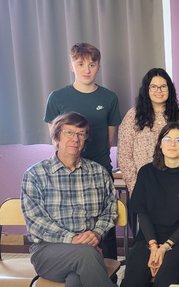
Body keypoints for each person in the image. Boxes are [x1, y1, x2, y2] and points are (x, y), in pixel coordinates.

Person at [44, 42, 121, 261]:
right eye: (80, 64)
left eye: (92, 64)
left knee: (103, 228)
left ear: (98, 66)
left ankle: (109, 276)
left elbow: (108, 140)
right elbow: (56, 139)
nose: (87, 69)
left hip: (98, 171)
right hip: (65, 171)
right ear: (72, 65)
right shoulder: (57, 98)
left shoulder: (109, 98)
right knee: (68, 224)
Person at [21, 112, 117, 286]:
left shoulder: (98, 172)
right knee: (86, 255)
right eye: (69, 133)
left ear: (86, 139)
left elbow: (110, 209)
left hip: (89, 250)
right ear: (57, 136)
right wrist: (72, 239)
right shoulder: (35, 174)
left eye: (81, 134)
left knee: (76, 281)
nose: (76, 139)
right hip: (48, 251)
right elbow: (36, 222)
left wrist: (97, 233)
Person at [121, 122, 179, 287]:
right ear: (160, 144)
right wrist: (153, 246)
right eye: (167, 139)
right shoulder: (146, 172)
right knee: (132, 281)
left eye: (178, 140)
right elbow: (142, 213)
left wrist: (165, 247)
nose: (172, 144)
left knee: (163, 280)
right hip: (149, 237)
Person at [118, 67, 179, 196]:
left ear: (169, 89)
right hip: (145, 186)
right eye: (153, 87)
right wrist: (136, 187)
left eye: (163, 86)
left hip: (177, 186)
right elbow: (124, 156)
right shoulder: (133, 116)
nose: (159, 91)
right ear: (146, 90)